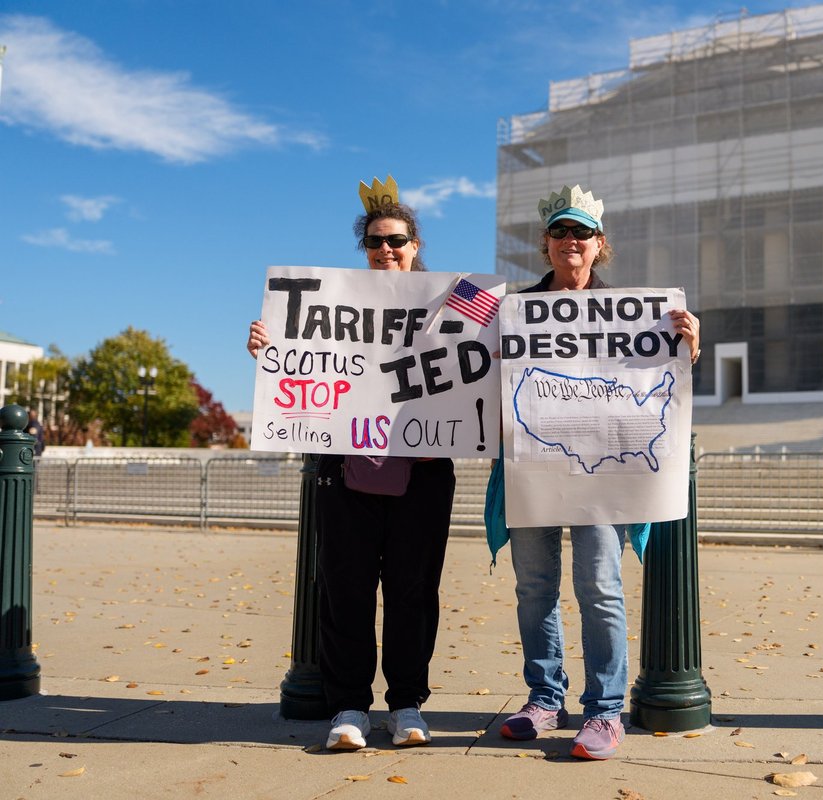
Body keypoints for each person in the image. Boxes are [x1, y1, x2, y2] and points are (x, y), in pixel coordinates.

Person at [246, 178, 455, 752]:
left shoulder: (449, 300)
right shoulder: (331, 303)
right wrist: (271, 345)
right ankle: (349, 706)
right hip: (347, 473)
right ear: (363, 250)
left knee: (414, 593)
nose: (385, 250)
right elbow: (300, 359)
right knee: (347, 592)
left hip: (424, 472)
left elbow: (487, 343)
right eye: (374, 242)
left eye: (397, 240)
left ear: (416, 244)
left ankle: (408, 703)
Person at [495, 184, 700, 760]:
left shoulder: (638, 314)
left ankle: (606, 711)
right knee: (534, 590)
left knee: (600, 588)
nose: (570, 241)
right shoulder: (513, 311)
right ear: (546, 243)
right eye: (560, 231)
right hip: (533, 468)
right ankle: (544, 698)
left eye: (581, 232)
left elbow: (656, 383)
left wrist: (690, 349)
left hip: (600, 477)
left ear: (599, 244)